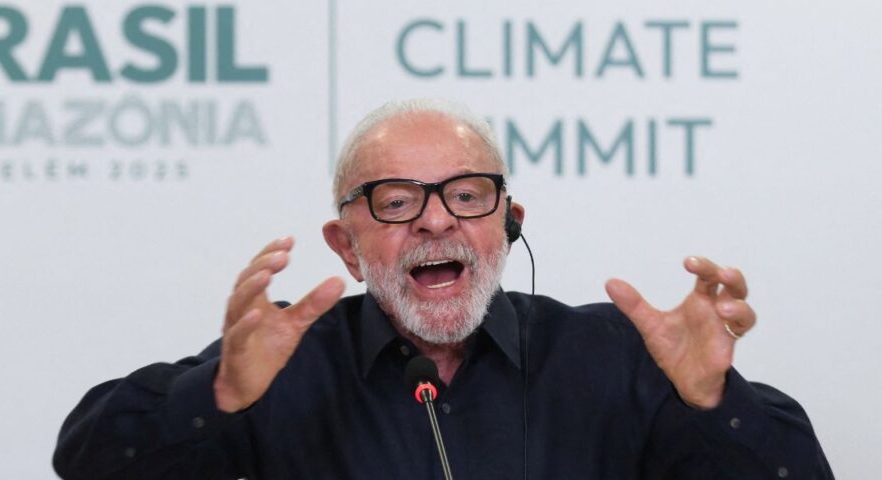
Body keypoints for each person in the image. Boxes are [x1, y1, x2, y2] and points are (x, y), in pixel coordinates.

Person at [54, 99, 833, 479]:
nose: (435, 221)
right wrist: (218, 395)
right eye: (395, 201)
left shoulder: (614, 355)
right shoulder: (280, 362)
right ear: (347, 246)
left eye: (466, 194)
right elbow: (88, 462)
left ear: (509, 224)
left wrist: (712, 402)